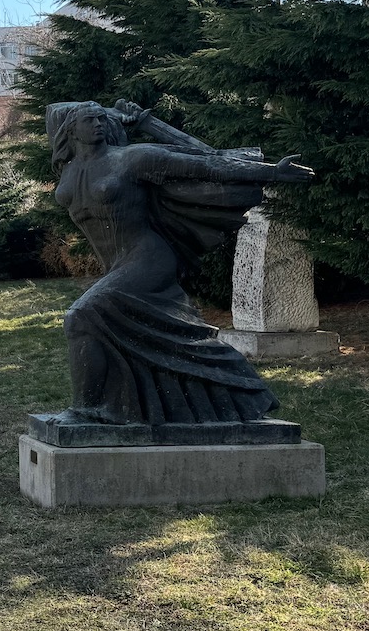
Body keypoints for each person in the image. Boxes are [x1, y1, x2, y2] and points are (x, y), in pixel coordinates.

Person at [46, 100, 314, 426]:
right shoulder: (71, 169)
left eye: (103, 118)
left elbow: (207, 167)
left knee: (80, 317)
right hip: (116, 264)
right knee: (168, 338)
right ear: (71, 129)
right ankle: (231, 393)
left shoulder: (133, 159)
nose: (99, 124)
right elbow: (56, 113)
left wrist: (272, 172)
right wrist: (130, 118)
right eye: (91, 119)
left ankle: (84, 411)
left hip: (149, 258)